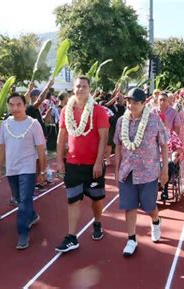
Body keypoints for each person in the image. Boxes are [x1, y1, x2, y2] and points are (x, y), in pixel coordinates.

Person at [55, 76, 110, 253]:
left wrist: (98, 163)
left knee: (96, 200)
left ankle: (97, 222)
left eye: (84, 86)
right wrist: (59, 161)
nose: (80, 89)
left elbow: (103, 138)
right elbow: (61, 136)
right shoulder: (66, 111)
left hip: (93, 166)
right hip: (72, 163)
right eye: (78, 86)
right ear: (73, 88)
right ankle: (71, 237)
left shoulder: (99, 111)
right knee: (73, 201)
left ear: (89, 89)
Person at [114, 88, 169, 257]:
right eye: (129, 102)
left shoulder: (154, 120)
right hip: (127, 171)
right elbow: (118, 145)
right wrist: (117, 169)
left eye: (135, 102)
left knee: (149, 206)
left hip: (148, 172)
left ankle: (156, 221)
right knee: (129, 207)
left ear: (144, 103)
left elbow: (164, 144)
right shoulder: (121, 121)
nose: (131, 105)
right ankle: (131, 239)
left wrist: (165, 168)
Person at [0, 92, 46, 250]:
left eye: (18, 104)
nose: (15, 108)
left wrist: (43, 171)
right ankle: (31, 216)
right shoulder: (5, 124)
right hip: (12, 169)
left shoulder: (34, 124)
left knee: (24, 200)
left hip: (28, 168)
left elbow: (40, 149)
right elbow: (2, 148)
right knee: (19, 199)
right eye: (11, 105)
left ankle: (23, 233)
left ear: (25, 105)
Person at [104, 88, 126, 166]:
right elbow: (106, 105)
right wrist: (115, 97)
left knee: (121, 144)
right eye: (117, 96)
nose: (119, 98)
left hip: (121, 127)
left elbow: (124, 102)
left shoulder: (123, 106)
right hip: (112, 127)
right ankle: (108, 159)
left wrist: (122, 97)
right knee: (109, 143)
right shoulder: (110, 105)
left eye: (120, 96)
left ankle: (121, 159)